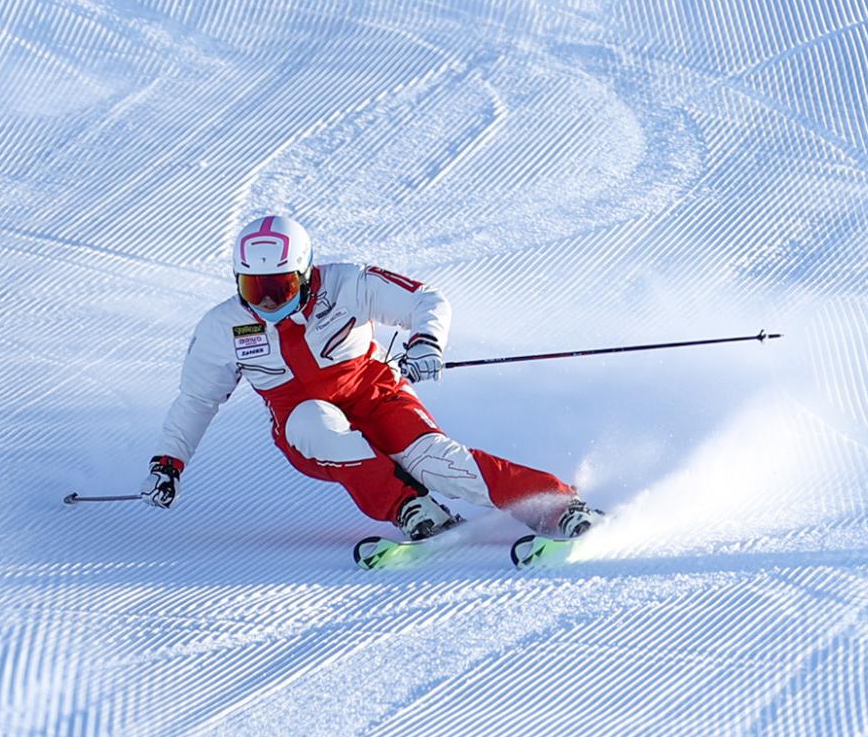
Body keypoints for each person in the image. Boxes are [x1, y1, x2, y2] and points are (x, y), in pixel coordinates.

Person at [142, 214, 602, 550]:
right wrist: (169, 462)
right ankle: (409, 507)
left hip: (378, 395)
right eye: (251, 289)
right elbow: (196, 400)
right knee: (315, 422)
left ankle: (556, 506)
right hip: (303, 421)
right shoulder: (223, 327)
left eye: (278, 288)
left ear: (304, 273)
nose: (264, 302)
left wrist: (426, 343)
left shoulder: (346, 284)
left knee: (438, 462)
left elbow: (426, 300)